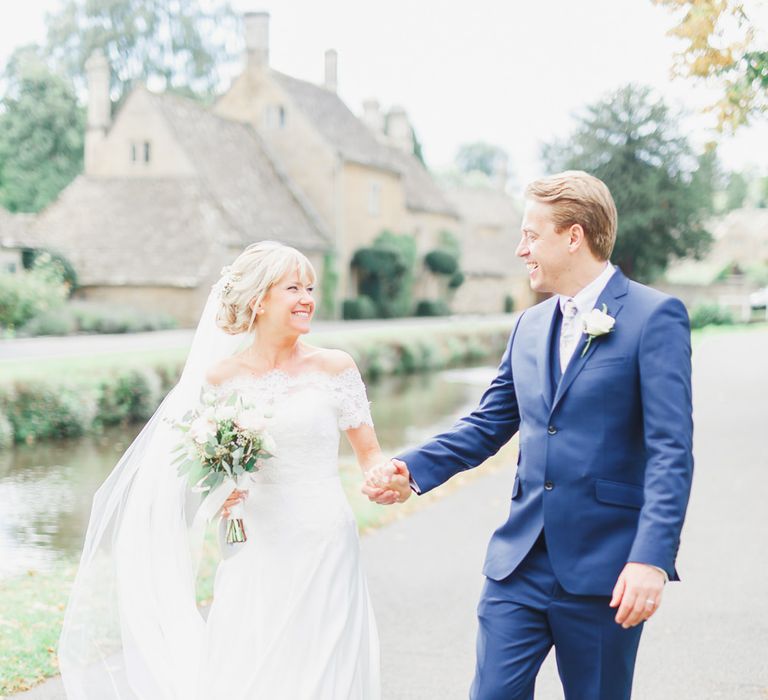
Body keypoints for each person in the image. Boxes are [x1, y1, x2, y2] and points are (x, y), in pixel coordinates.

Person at [365, 171, 694, 700]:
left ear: (574, 236)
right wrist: (412, 471)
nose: (521, 250)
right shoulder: (529, 325)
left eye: (530, 235)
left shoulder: (655, 318)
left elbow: (670, 452)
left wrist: (650, 557)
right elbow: (487, 425)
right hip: (517, 565)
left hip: (606, 570)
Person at [59, 242, 383, 699]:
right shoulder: (220, 378)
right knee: (252, 656)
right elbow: (196, 472)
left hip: (325, 534)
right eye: (293, 287)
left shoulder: (335, 367)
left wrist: (384, 475)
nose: (308, 297)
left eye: (310, 287)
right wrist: (218, 496)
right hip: (251, 540)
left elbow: (370, 454)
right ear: (259, 300)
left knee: (324, 658)